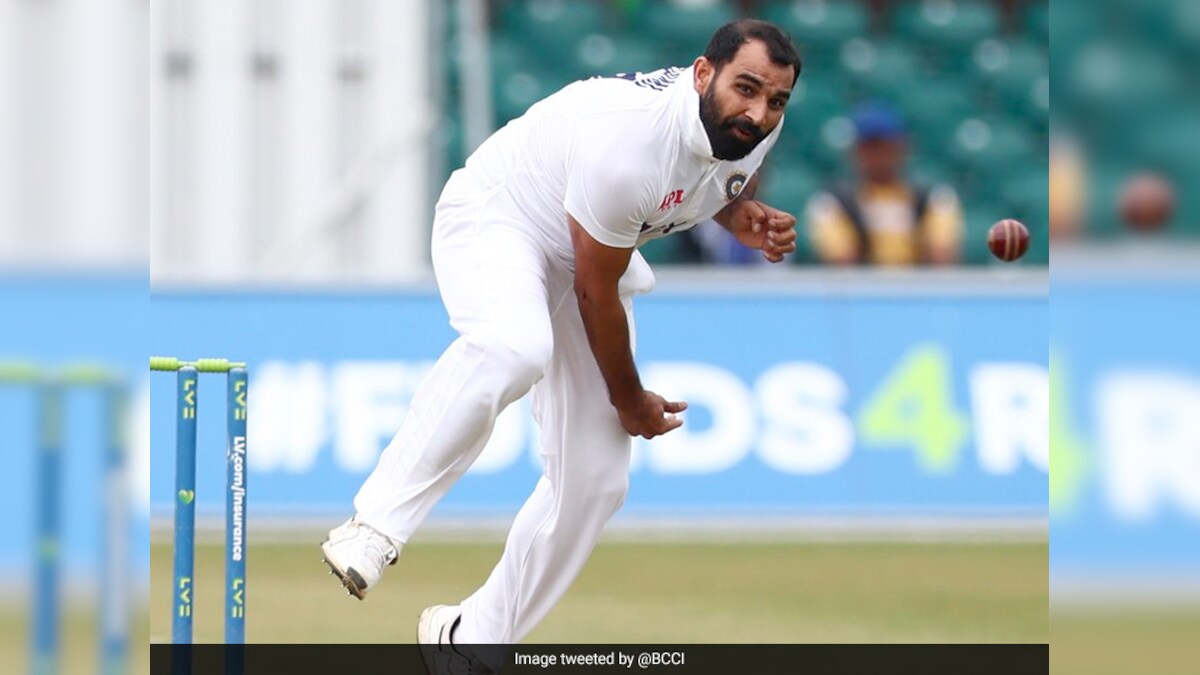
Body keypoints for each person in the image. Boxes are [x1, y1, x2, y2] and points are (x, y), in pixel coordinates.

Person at [320, 19, 801, 673]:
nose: (758, 112)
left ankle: (471, 637)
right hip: (502, 216)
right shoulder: (628, 139)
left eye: (775, 99)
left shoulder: (747, 137)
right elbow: (596, 293)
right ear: (701, 73)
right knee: (514, 347)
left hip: (581, 248)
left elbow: (695, 179)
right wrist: (630, 401)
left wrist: (732, 211)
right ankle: (373, 525)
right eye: (746, 88)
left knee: (598, 479)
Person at [805, 101, 964, 265]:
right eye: (868, 147)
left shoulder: (934, 198)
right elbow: (841, 261)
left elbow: (942, 257)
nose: (877, 155)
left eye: (884, 146)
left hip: (919, 288)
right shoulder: (833, 202)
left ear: (902, 146)